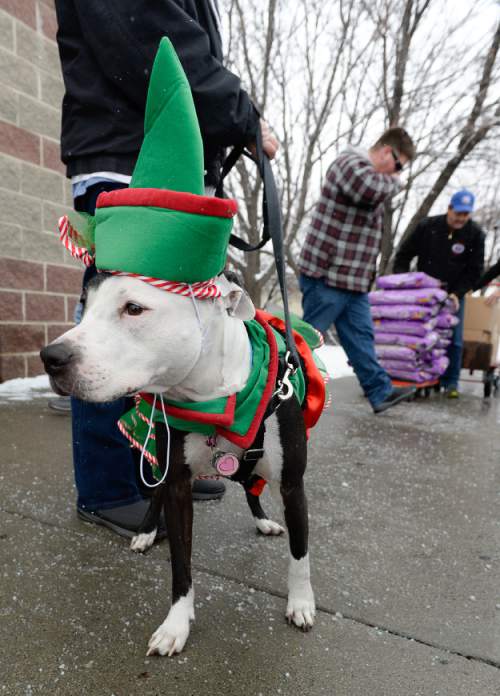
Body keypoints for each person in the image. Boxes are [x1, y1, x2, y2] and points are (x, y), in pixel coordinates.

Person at [54, 0, 278, 538]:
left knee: (166, 326)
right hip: (126, 153)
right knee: (117, 318)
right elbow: (155, 42)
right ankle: (107, 486)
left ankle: (159, 467)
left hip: (161, 152)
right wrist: (243, 116)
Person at [298, 127, 417, 413]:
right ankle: (286, 394)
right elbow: (369, 189)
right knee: (306, 343)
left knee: (362, 339)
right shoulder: (349, 164)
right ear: (387, 151)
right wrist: (397, 182)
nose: (396, 173)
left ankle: (380, 392)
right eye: (398, 165)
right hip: (327, 276)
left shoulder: (372, 175)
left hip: (353, 281)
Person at [393, 189, 485, 398]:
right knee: (419, 335)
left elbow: (475, 270)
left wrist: (457, 292)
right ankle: (416, 375)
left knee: (455, 339)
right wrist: (403, 283)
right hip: (424, 293)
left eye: (465, 214)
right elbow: (404, 254)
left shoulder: (476, 234)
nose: (461, 218)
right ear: (449, 208)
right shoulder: (428, 227)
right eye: (458, 213)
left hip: (453, 293)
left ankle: (450, 383)